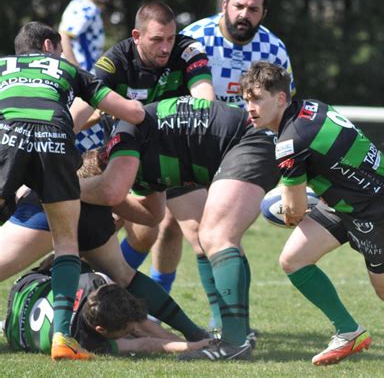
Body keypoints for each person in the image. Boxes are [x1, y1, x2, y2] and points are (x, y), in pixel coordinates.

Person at [238, 61, 384, 369]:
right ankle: (348, 331)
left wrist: (287, 213)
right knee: (293, 260)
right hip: (343, 202)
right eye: (246, 99)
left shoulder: (290, 142)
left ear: (280, 99)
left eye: (257, 99)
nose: (249, 107)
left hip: (380, 211)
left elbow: (294, 210)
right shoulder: (311, 107)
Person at [79, 95, 281, 360]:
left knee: (216, 236)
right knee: (213, 237)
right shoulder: (134, 168)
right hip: (242, 142)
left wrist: (65, 190)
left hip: (248, 139)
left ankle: (233, 343)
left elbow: (109, 191)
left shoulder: (125, 144)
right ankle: (221, 336)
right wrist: (113, 206)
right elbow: (153, 216)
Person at [0, 21, 145, 361]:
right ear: (50, 45)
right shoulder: (66, 68)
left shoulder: (3, 66)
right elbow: (132, 111)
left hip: (7, 139)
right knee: (65, 242)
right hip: (54, 137)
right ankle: (62, 338)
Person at [160, 0, 296, 331]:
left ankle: (228, 325)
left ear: (263, 12)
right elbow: (170, 90)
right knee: (189, 232)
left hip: (247, 145)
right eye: (238, 6)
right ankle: (215, 319)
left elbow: (286, 108)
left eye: (253, 9)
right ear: (225, 6)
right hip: (190, 142)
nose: (244, 14)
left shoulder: (275, 50)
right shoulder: (194, 38)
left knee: (218, 233)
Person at [0, 150, 212, 355]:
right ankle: (194, 333)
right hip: (88, 203)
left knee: (109, 285)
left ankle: (62, 335)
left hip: (51, 203)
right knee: (124, 275)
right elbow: (151, 216)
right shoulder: (131, 136)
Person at [85, 0, 215, 294]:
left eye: (170, 38)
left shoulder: (187, 50)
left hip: (174, 154)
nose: (166, 47)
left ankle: (224, 326)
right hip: (124, 156)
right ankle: (94, 291)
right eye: (157, 39)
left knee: (201, 233)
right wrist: (56, 133)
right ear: (136, 36)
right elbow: (85, 106)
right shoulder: (115, 60)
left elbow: (204, 98)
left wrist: (203, 115)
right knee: (138, 234)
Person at [3, 260, 210, 356]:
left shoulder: (93, 283)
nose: (135, 329)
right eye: (128, 330)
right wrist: (191, 347)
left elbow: (138, 327)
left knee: (71, 258)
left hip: (26, 286)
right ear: (100, 330)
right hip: (19, 307)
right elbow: (143, 344)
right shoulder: (86, 342)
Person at [59, 0, 114, 152]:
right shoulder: (86, 8)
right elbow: (63, 36)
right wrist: (79, 74)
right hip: (79, 86)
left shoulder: (88, 7)